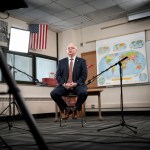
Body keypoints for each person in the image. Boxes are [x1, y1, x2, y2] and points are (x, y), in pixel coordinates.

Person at [50, 42, 88, 119]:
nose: (70, 49)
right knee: (53, 93)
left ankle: (75, 108)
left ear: (76, 50)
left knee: (84, 92)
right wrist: (63, 84)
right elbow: (58, 75)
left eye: (72, 48)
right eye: (68, 48)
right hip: (64, 85)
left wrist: (75, 83)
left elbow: (84, 75)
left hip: (77, 85)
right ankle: (66, 108)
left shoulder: (82, 61)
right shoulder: (61, 62)